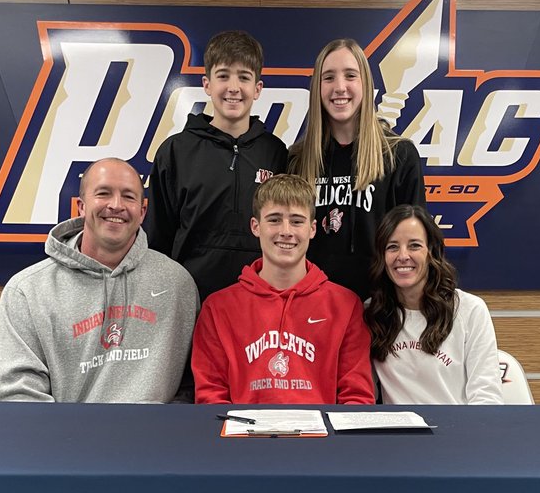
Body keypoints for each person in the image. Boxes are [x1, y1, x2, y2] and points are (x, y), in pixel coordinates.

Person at [0, 158, 199, 403]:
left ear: (142, 212)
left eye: (129, 196)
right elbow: (20, 396)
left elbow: (192, 385)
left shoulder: (177, 284)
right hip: (67, 439)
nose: (116, 205)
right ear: (81, 206)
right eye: (103, 193)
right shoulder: (26, 291)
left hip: (154, 437)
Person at [192, 174, 374, 405]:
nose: (286, 231)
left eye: (297, 221)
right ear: (255, 226)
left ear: (313, 228)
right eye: (274, 220)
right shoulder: (218, 308)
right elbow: (211, 399)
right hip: (243, 439)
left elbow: (356, 399)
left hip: (321, 440)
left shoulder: (346, 306)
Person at [145, 30, 288, 302]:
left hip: (260, 300)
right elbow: (157, 240)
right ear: (207, 84)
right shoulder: (175, 151)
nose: (233, 87)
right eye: (223, 75)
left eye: (244, 77)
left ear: (257, 89)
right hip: (189, 300)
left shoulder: (276, 152)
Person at [289, 38, 426, 299]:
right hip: (313, 306)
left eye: (350, 75)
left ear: (365, 83)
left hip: (379, 308)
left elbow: (415, 244)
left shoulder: (399, 154)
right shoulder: (298, 159)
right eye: (328, 78)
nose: (340, 87)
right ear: (317, 87)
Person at [365, 204, 503, 405]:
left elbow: (487, 398)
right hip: (397, 434)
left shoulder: (470, 310)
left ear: (432, 252)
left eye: (414, 245)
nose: (403, 256)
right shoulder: (371, 312)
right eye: (392, 246)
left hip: (458, 433)